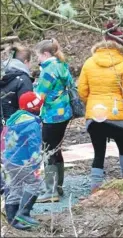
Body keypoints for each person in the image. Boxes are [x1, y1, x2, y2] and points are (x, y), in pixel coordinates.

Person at [78, 22, 123, 193]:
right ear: (121, 45)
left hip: (94, 115)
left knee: (99, 151)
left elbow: (82, 90)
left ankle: (95, 187)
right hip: (116, 114)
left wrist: (91, 104)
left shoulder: (89, 63)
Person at [34, 38, 73, 203]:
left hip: (51, 115)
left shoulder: (48, 69)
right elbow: (70, 84)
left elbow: (40, 96)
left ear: (45, 54)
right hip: (64, 113)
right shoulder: (62, 65)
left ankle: (50, 190)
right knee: (56, 149)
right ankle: (58, 186)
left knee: (48, 150)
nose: (38, 60)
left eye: (38, 56)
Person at [3, 92, 43, 230]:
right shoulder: (32, 124)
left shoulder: (15, 119)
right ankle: (23, 213)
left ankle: (12, 220)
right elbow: (34, 145)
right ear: (35, 108)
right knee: (35, 183)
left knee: (15, 186)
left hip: (9, 159)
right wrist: (36, 164)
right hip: (22, 161)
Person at [0, 44, 33, 201]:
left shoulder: (3, 74)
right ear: (26, 61)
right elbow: (27, 106)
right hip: (16, 125)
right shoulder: (23, 79)